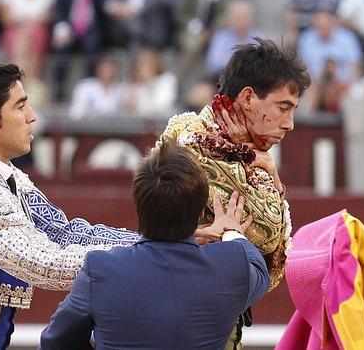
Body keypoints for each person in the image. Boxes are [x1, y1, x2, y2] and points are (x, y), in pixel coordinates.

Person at [0, 63, 141, 349]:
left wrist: (153, 241)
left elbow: (64, 234)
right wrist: (147, 255)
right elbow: (44, 262)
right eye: (20, 107)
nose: (32, 117)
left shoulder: (6, 177)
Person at [39, 137, 270, 349]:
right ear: (201, 210)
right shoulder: (230, 265)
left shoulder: (101, 268)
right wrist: (231, 231)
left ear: (139, 205)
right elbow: (258, 267)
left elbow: (54, 344)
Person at [159, 37, 311, 349]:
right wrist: (263, 172)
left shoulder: (239, 150)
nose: (290, 124)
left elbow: (273, 257)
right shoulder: (194, 142)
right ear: (247, 98)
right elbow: (268, 233)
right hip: (187, 322)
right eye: (283, 108)